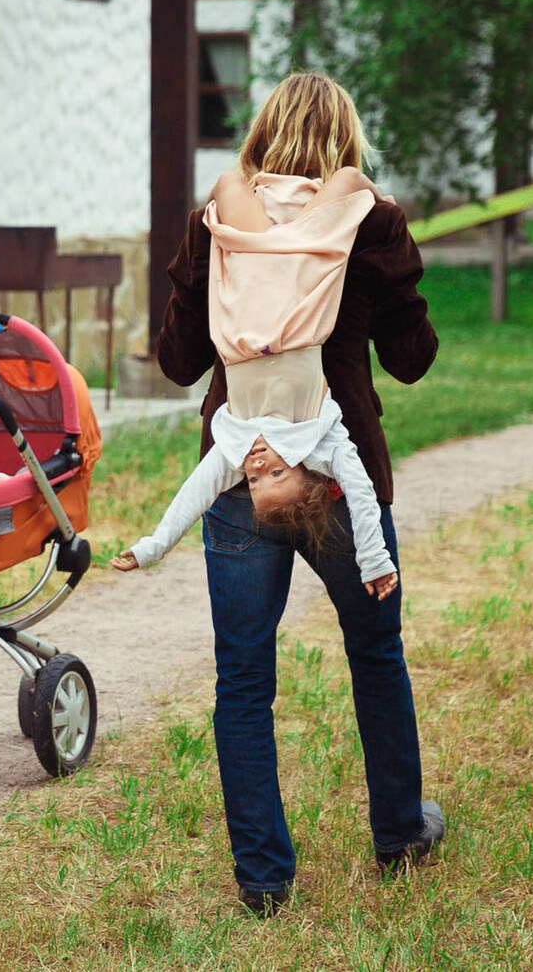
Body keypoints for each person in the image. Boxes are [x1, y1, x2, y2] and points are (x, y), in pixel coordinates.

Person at [155, 72, 444, 915]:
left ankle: (264, 880)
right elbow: (412, 356)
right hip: (338, 460)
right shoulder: (371, 220)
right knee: (375, 654)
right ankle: (399, 831)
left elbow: (177, 362)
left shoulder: (219, 220)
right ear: (345, 141)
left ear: (263, 135)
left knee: (242, 679)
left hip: (242, 470)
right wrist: (394, 262)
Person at [111, 165, 398, 597]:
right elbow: (359, 495)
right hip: (303, 284)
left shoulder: (235, 447)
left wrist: (153, 547)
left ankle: (273, 209)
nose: (259, 469)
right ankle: (373, 196)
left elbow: (195, 496)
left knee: (228, 183)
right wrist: (374, 560)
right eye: (277, 473)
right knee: (350, 179)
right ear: (309, 470)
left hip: (246, 290)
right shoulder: (324, 440)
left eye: (257, 482)